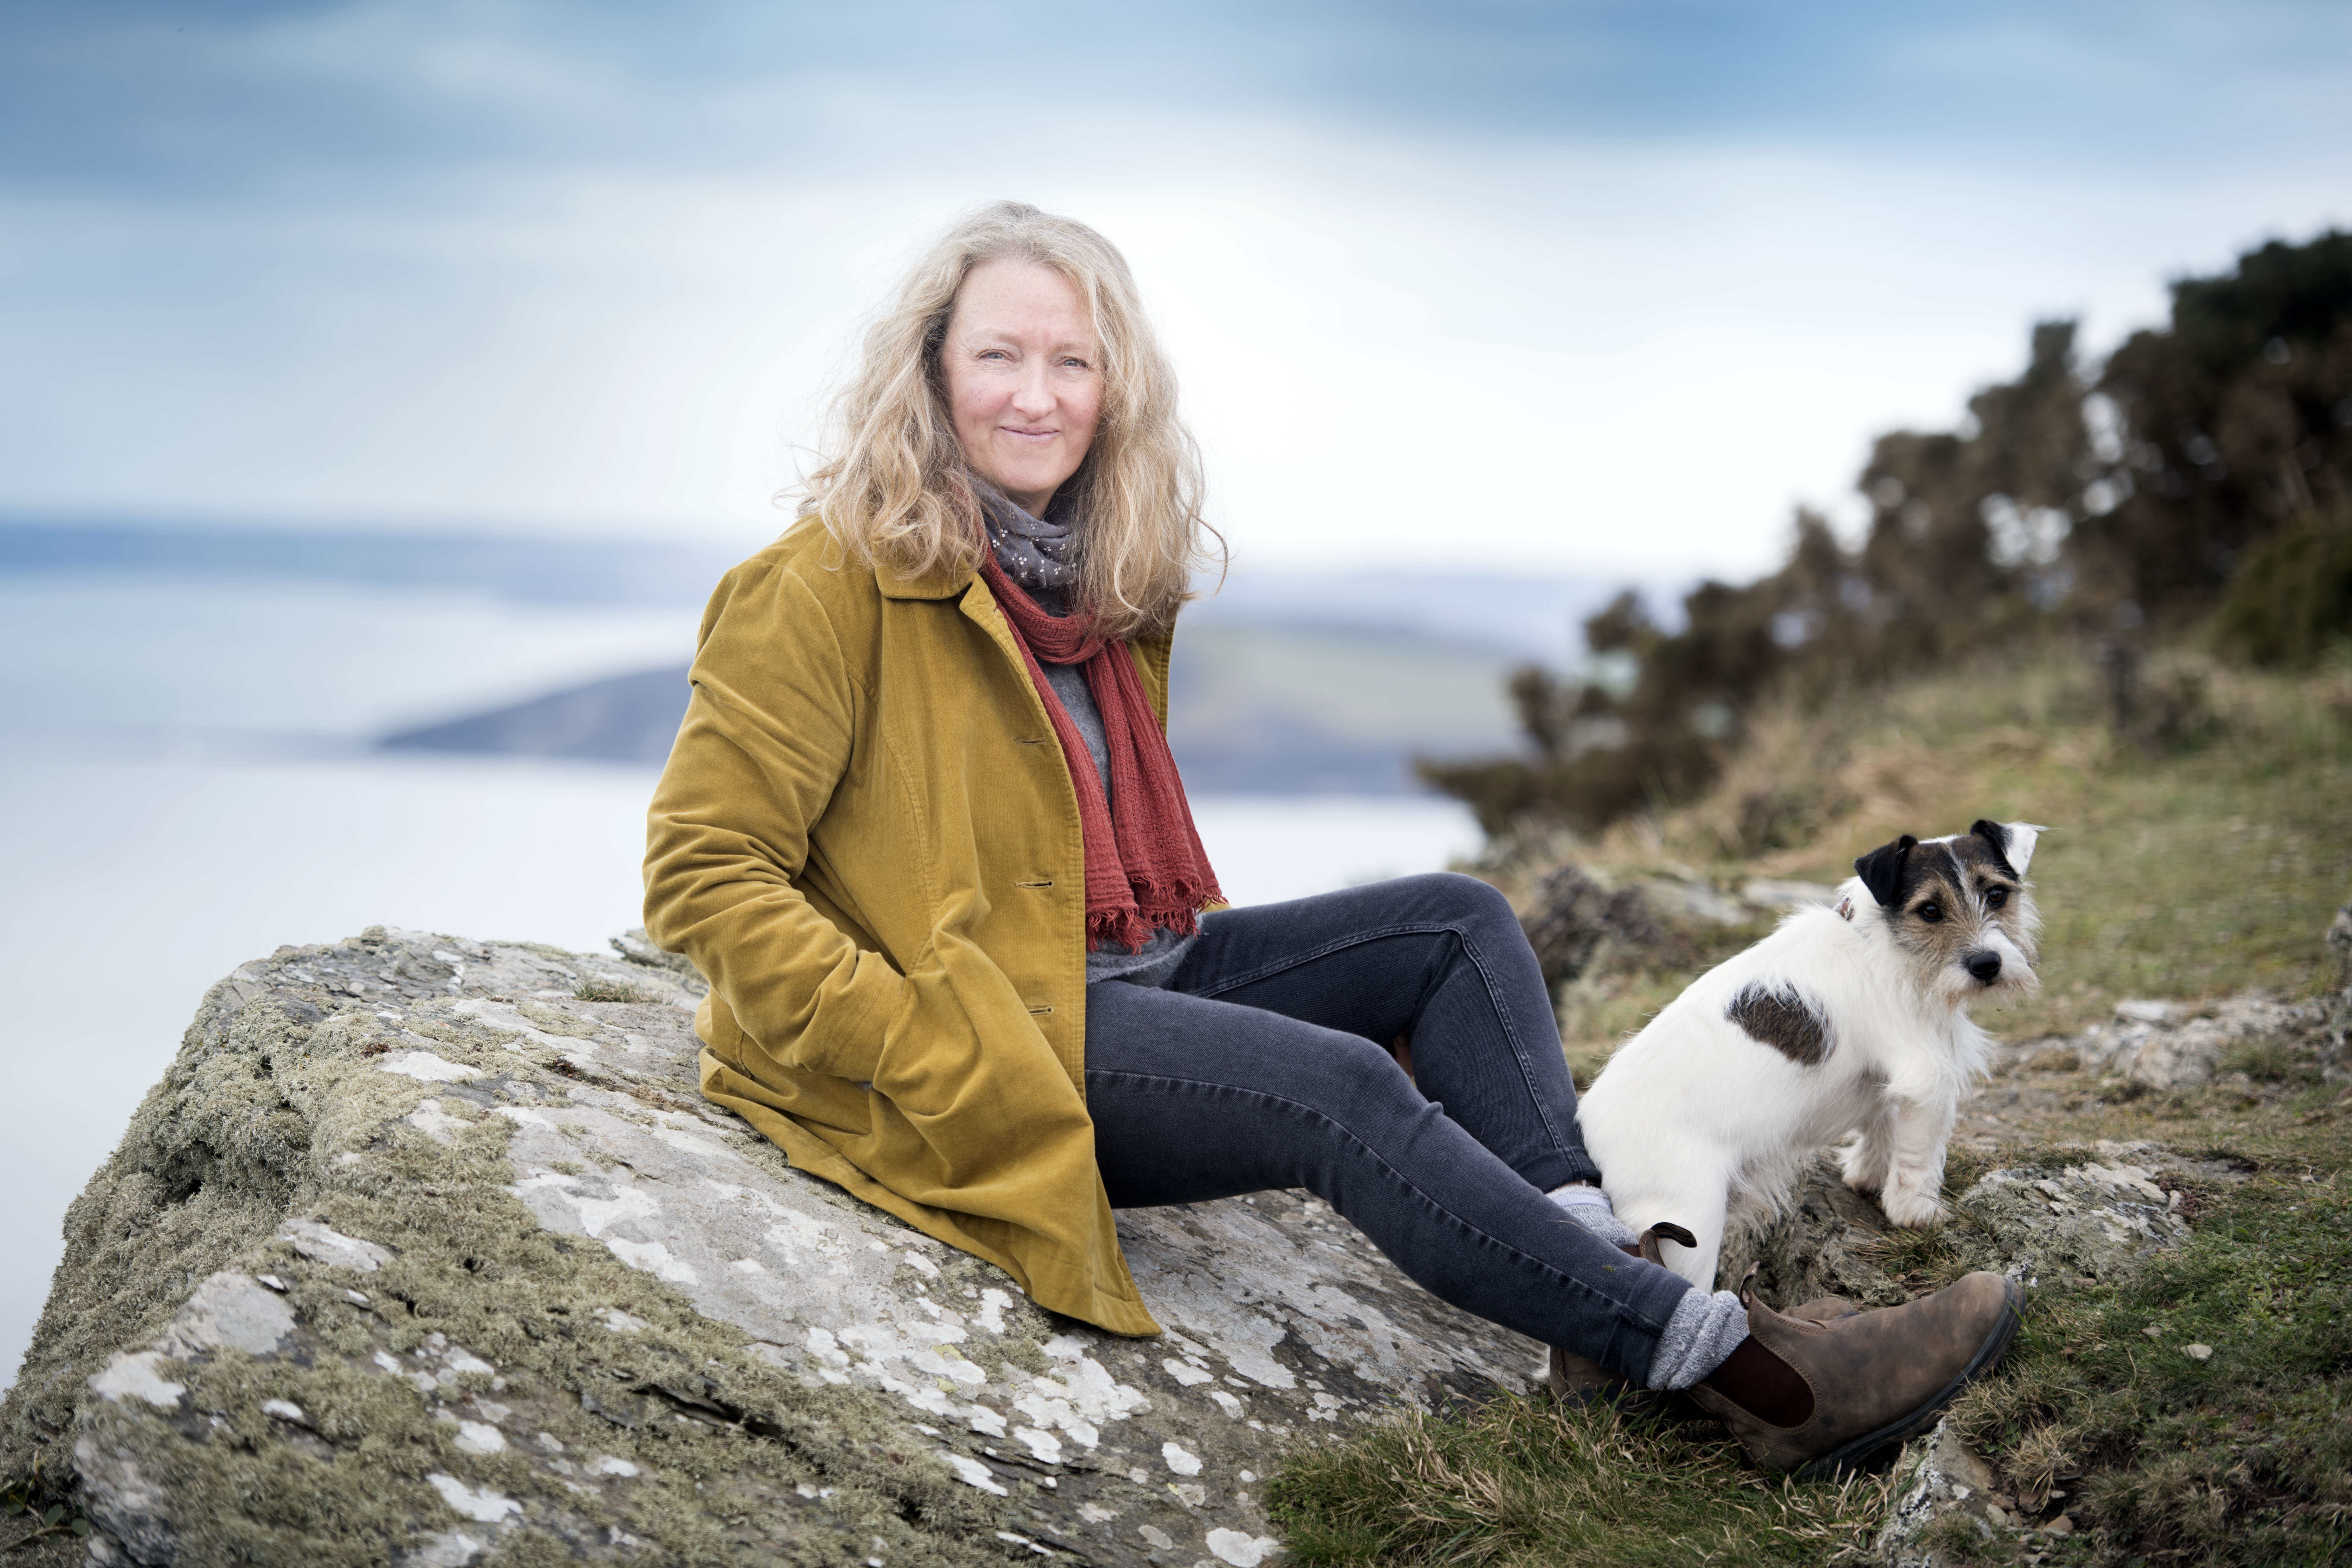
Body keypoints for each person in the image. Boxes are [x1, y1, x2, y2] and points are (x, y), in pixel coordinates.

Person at [641, 201, 2021, 1477]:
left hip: (1119, 971)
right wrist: (908, 1038)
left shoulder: (1090, 578)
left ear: (1115, 386)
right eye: (998, 353)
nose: (1036, 393)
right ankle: (1751, 1376)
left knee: (1456, 924)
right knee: (1344, 1091)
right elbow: (700, 871)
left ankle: (1606, 1295)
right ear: (931, 370)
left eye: (1073, 360)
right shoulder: (817, 586)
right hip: (983, 1029)